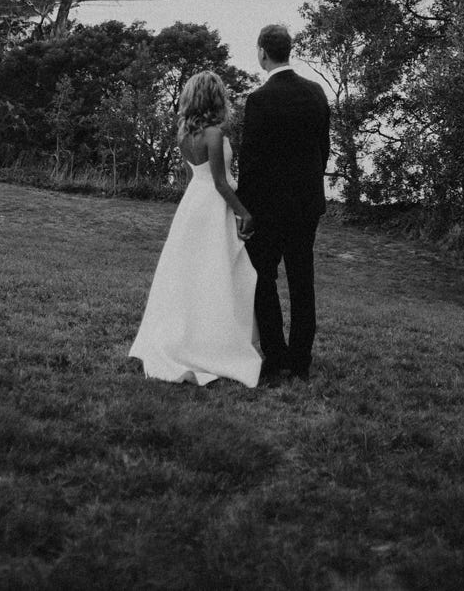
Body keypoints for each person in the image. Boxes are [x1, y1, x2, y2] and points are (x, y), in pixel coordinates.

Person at [129, 70, 262, 388]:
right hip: (213, 205)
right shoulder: (214, 134)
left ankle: (196, 335)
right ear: (215, 98)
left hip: (193, 205)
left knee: (194, 275)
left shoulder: (184, 133)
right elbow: (219, 182)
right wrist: (244, 213)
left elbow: (195, 179)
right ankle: (215, 344)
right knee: (220, 273)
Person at [237, 24, 330, 385]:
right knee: (302, 280)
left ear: (262, 51)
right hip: (306, 206)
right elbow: (323, 151)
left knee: (263, 279)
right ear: (288, 51)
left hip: (270, 209)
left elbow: (252, 163)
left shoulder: (259, 100)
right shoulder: (316, 93)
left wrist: (245, 211)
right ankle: (301, 361)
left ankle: (276, 358)